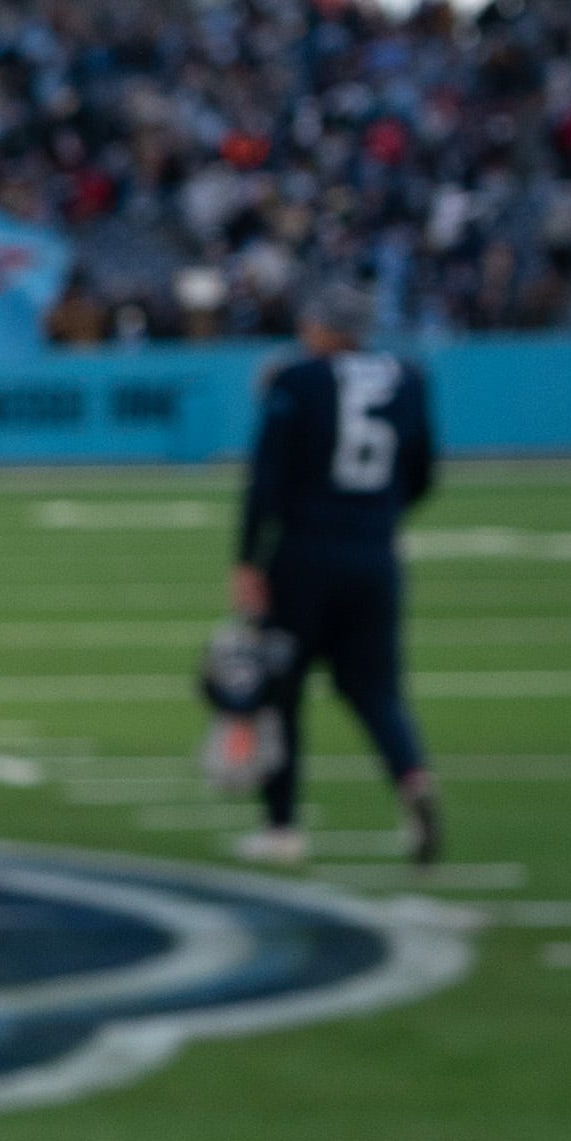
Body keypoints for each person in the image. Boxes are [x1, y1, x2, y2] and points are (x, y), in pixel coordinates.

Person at [228, 300, 445, 866]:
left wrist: (249, 560)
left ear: (324, 328)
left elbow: (266, 481)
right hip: (375, 553)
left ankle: (281, 828)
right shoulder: (410, 378)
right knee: (375, 690)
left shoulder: (295, 379)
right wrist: (376, 519)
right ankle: (413, 778)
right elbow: (423, 474)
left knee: (281, 692)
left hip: (303, 554)